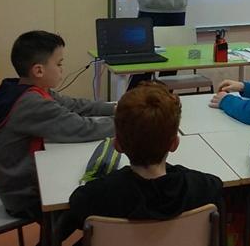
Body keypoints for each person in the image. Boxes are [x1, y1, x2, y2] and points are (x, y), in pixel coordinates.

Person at [0, 30, 115, 221]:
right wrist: (131, 121)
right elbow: (80, 128)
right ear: (39, 70)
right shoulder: (30, 103)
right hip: (25, 196)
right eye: (59, 64)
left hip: (16, 184)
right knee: (101, 205)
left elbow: (76, 106)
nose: (61, 69)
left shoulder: (22, 88)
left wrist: (118, 108)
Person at [63, 81, 222, 237]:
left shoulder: (94, 197)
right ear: (174, 144)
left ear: (117, 145)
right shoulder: (204, 188)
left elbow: (74, 212)